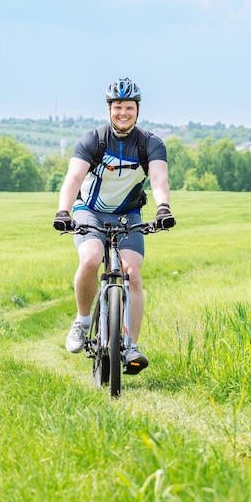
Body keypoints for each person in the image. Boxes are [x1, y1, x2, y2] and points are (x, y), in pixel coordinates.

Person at [53, 76, 175, 374]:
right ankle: (82, 321)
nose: (123, 113)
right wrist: (63, 211)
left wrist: (163, 208)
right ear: (109, 109)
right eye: (118, 107)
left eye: (129, 107)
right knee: (92, 258)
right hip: (89, 211)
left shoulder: (150, 144)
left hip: (128, 214)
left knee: (132, 274)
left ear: (138, 109)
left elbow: (159, 178)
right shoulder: (94, 140)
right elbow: (73, 178)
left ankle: (131, 345)